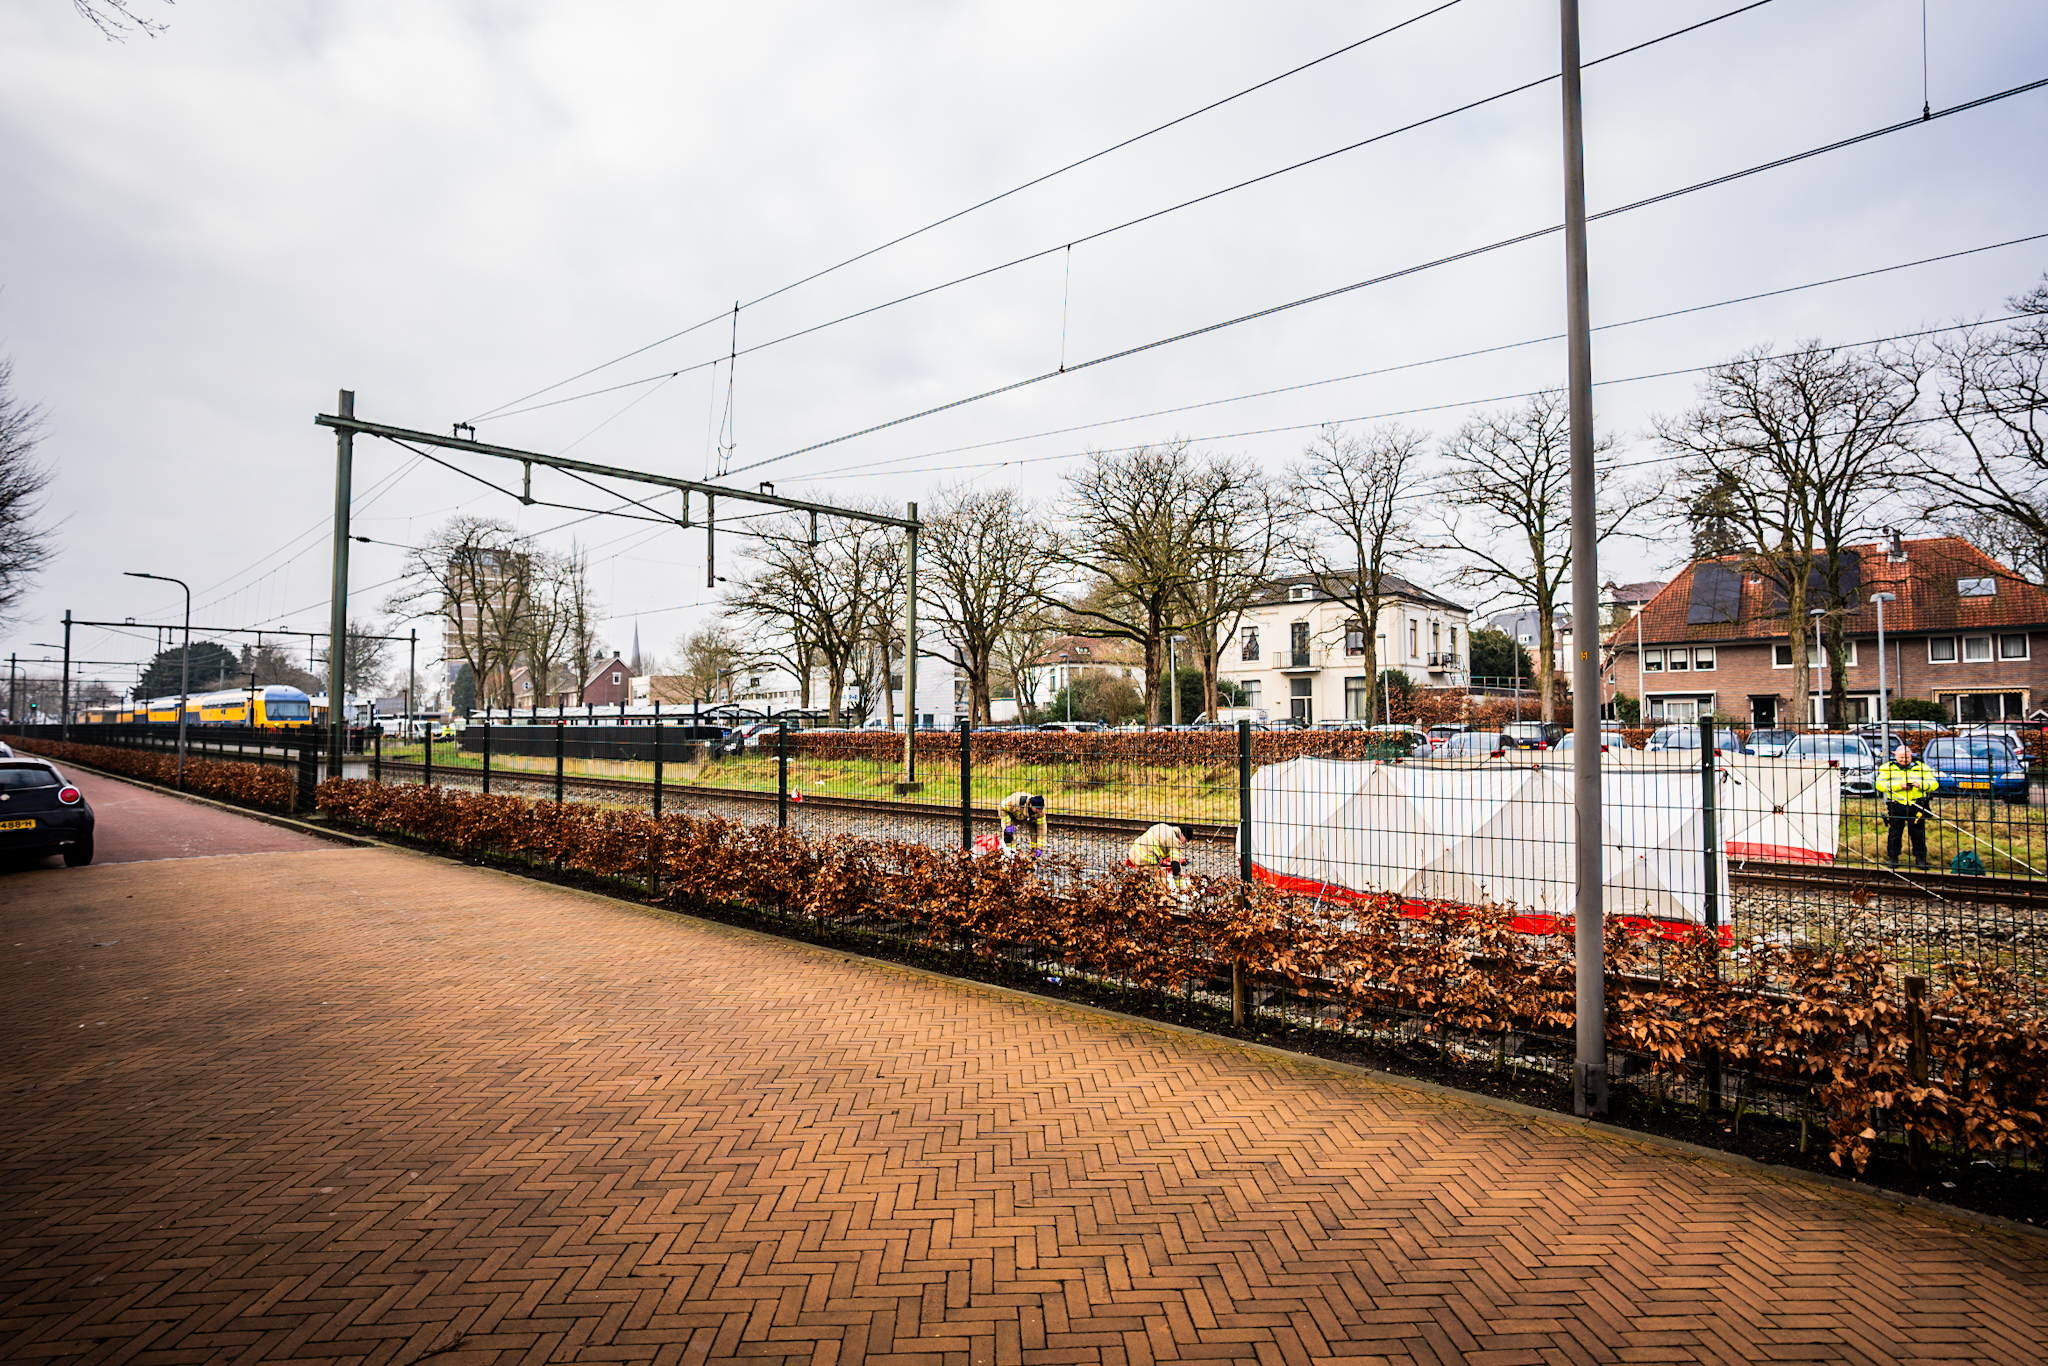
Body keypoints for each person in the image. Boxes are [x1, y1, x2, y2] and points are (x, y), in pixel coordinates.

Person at [1875, 741, 1939, 869]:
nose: (1904, 760)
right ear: (1895, 756)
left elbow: (1934, 784)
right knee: (1895, 833)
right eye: (1901, 758)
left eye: (1907, 757)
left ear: (1911, 756)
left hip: (1917, 805)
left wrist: (1921, 785)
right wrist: (1898, 786)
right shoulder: (1887, 768)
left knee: (1918, 833)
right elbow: (1879, 784)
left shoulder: (1922, 767)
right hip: (1896, 804)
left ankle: (1920, 858)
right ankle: (1893, 858)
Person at [1127, 821, 1193, 890]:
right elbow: (1175, 865)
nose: (1183, 843)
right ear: (1182, 834)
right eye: (1185, 841)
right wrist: (1181, 887)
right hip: (1144, 859)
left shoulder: (1163, 826)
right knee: (1154, 882)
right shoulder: (1174, 841)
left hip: (1133, 852)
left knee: (1145, 875)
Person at [999, 791, 1047, 857]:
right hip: (1012, 815)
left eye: (1041, 808)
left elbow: (1041, 829)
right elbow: (1001, 807)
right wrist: (1008, 824)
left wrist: (1040, 848)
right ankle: (1010, 854)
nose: (1040, 811)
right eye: (1038, 809)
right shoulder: (1015, 802)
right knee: (1008, 835)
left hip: (1029, 818)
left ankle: (1033, 855)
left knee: (1035, 833)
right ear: (1031, 805)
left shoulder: (1040, 812)